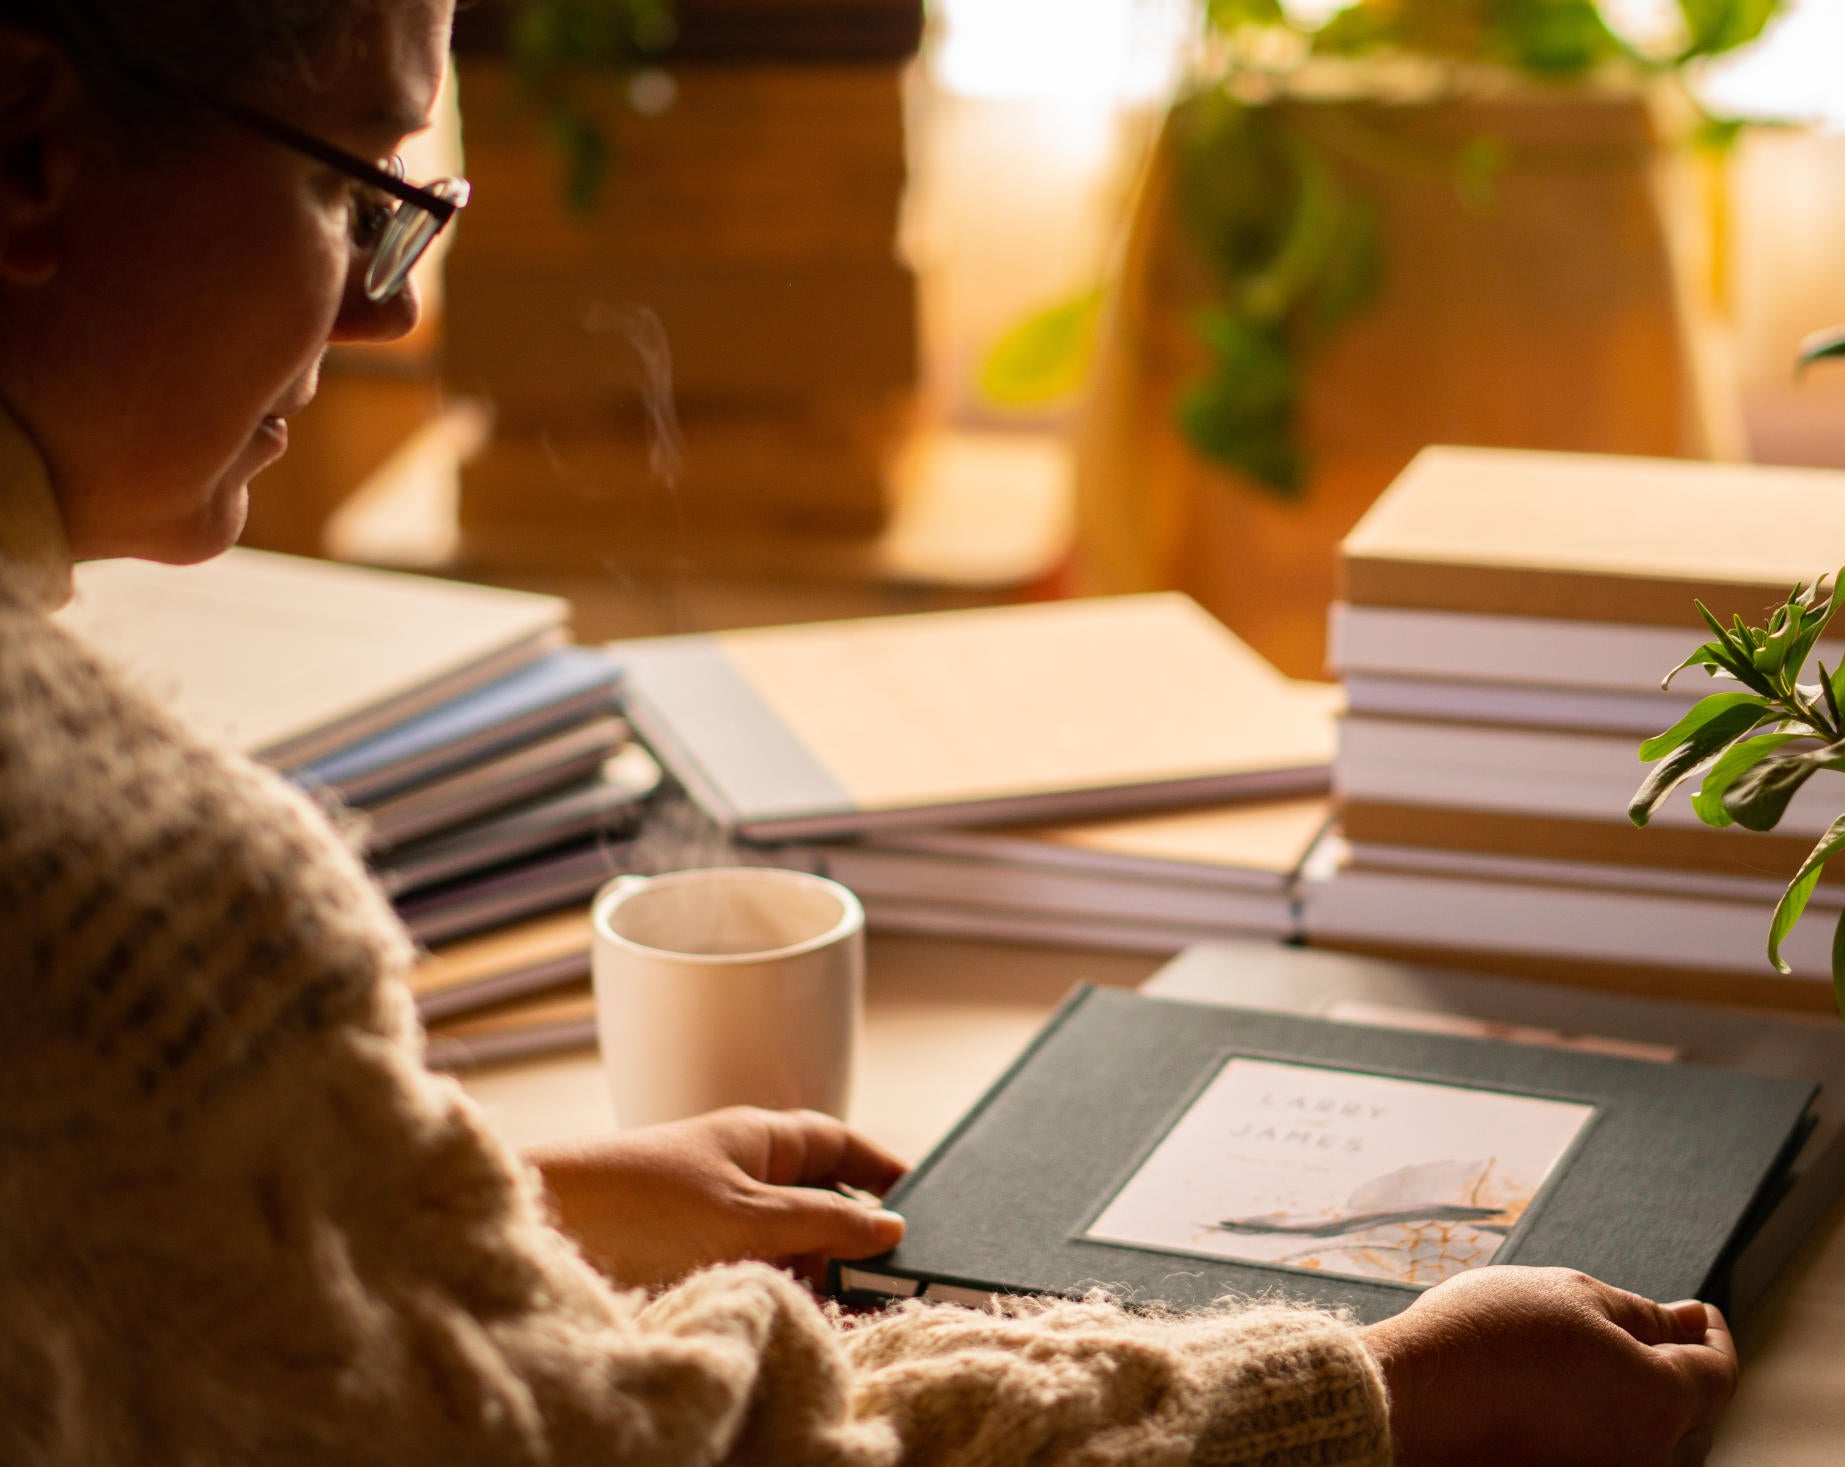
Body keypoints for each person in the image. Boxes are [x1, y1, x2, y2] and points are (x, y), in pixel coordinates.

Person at [0, 1, 1740, 1462]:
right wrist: (1385, 1397)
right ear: (28, 151)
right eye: (355, 189)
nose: (391, 310)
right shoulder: (116, 885)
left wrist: (498, 1205)